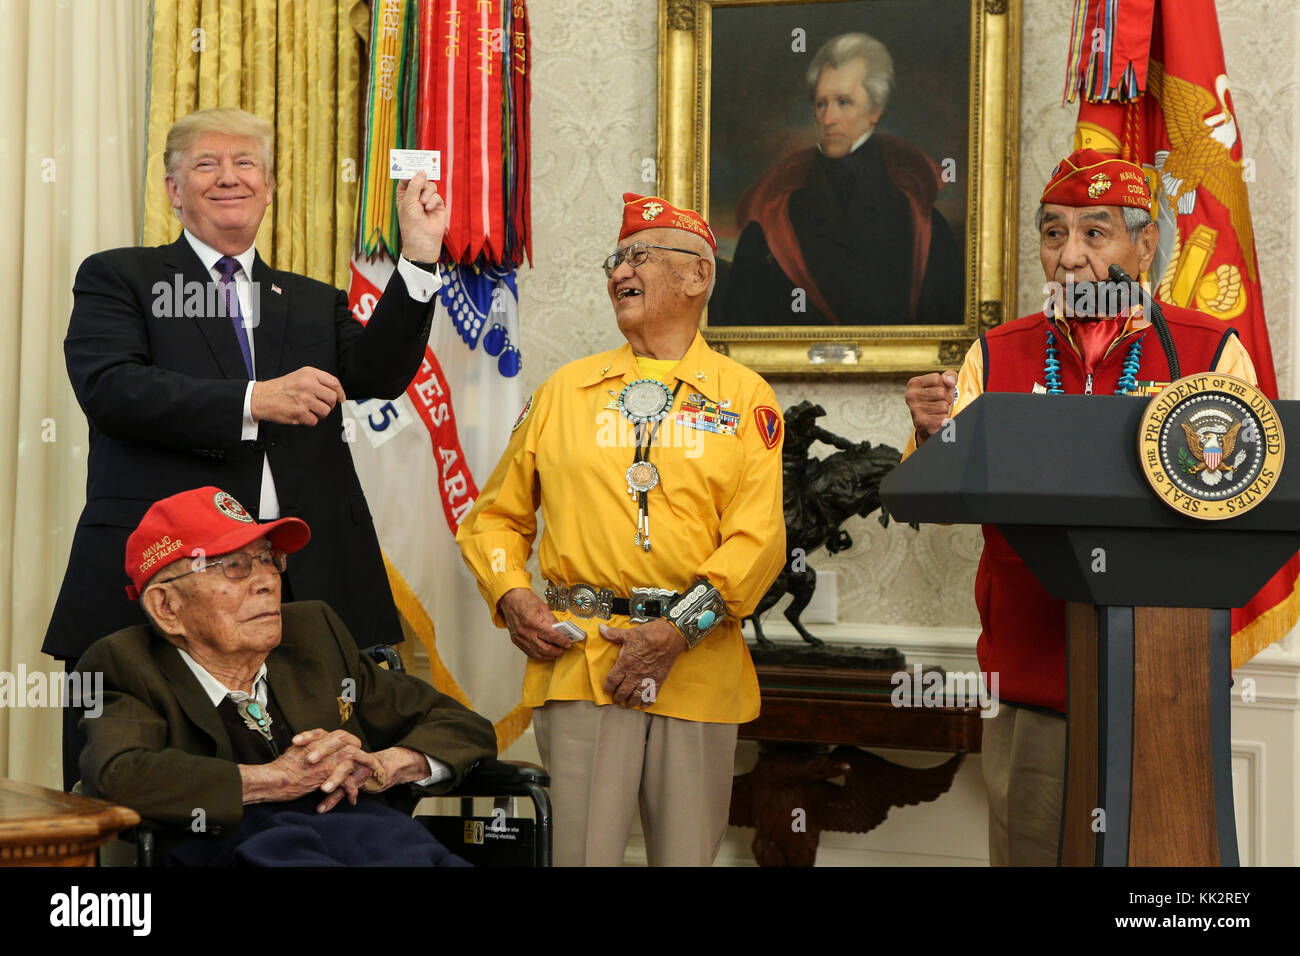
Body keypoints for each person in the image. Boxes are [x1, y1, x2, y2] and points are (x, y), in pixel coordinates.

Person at [46, 107, 447, 787]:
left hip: (308, 587)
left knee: (329, 784)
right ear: (174, 189)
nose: (228, 178)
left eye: (246, 165)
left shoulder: (312, 301)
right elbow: (112, 389)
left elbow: (378, 375)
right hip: (167, 585)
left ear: (268, 187)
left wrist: (418, 258)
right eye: (206, 164)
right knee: (142, 798)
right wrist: (251, 400)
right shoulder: (121, 278)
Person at [903, 148, 1258, 866]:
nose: (1070, 257)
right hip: (1036, 685)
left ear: (1146, 244)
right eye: (1054, 233)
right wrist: (930, 435)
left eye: (1096, 233)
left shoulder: (1206, 350)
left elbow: (1243, 502)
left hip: (1168, 684)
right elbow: (934, 505)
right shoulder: (997, 355)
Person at [456, 193, 786, 866]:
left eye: (640, 256)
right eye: (616, 259)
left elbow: (757, 544)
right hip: (582, 662)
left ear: (697, 277)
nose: (618, 273)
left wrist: (673, 633)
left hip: (697, 665)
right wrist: (512, 598)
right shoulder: (564, 392)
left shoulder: (745, 397)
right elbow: (495, 518)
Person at [78, 486, 497, 866]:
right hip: (242, 846)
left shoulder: (314, 634)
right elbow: (118, 775)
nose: (267, 582)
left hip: (373, 839)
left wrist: (381, 766)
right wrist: (276, 779)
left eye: (268, 560)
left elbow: (463, 726)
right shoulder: (126, 663)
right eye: (235, 567)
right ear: (167, 607)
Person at [718, 32, 962, 327]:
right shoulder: (774, 214)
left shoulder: (918, 215)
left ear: (874, 110)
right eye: (821, 104)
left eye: (843, 102)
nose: (828, 118)